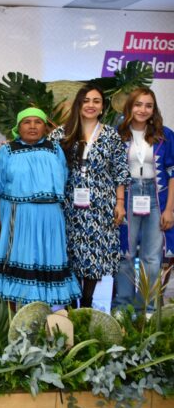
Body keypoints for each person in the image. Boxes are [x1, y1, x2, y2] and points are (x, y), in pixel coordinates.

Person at [0, 108, 81, 305]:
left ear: (45, 127)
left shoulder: (55, 150)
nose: (32, 126)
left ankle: (43, 310)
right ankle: (11, 312)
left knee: (46, 260)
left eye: (37, 122)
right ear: (18, 127)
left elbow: (64, 180)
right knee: (16, 259)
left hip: (50, 216)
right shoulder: (6, 151)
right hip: (17, 216)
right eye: (27, 122)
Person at [50, 84, 129, 309]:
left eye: (96, 101)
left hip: (101, 206)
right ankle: (70, 305)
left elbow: (120, 171)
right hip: (69, 205)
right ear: (78, 105)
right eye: (86, 101)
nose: (91, 105)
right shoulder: (61, 134)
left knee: (95, 253)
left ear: (103, 107)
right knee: (72, 253)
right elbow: (46, 161)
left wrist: (120, 203)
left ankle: (87, 302)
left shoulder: (111, 135)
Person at [114, 87, 174, 310]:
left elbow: (172, 172)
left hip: (156, 196)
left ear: (154, 109)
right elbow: (114, 171)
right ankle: (122, 307)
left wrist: (170, 209)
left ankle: (147, 309)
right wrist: (118, 203)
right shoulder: (118, 133)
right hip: (127, 194)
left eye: (148, 105)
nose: (143, 110)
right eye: (138, 104)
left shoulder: (165, 135)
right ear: (130, 107)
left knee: (152, 256)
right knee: (125, 253)